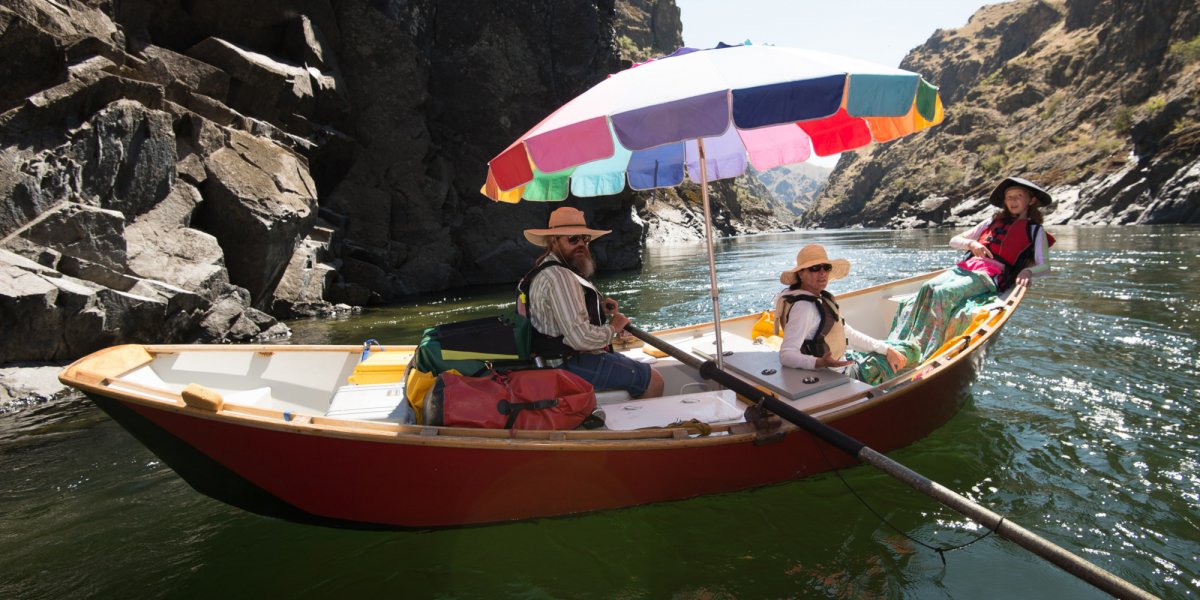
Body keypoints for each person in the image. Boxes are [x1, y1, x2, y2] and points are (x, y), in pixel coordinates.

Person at [891, 175, 1053, 360]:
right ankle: (903, 345)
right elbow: (954, 240)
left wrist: (1028, 271)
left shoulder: (1035, 230)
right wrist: (972, 244)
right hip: (965, 268)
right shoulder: (990, 222)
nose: (1013, 201)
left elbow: (1045, 265)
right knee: (927, 287)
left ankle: (924, 354)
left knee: (943, 294)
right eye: (1009, 197)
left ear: (1031, 200)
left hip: (990, 276)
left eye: (1019, 196)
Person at [517, 207, 664, 399]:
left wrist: (598, 309)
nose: (581, 244)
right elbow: (579, 339)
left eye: (584, 239)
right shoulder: (561, 277)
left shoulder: (544, 269)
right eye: (572, 239)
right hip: (567, 364)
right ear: (553, 241)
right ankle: (648, 429)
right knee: (654, 380)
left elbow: (552, 315)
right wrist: (613, 328)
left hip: (550, 361)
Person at [774, 244, 907, 374]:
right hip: (838, 374)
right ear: (801, 274)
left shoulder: (808, 297)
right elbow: (786, 355)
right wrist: (820, 362)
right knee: (908, 351)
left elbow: (846, 333)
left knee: (893, 349)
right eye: (815, 268)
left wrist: (886, 349)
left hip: (841, 363)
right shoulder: (805, 307)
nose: (822, 273)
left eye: (826, 267)